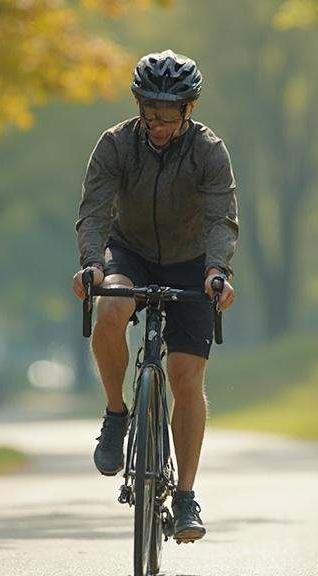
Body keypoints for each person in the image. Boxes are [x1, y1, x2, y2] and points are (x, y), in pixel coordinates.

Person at [71, 49, 238, 542]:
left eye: (168, 116)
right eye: (149, 113)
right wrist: (91, 263)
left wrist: (217, 271)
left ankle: (185, 497)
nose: (158, 126)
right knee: (112, 305)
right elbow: (95, 210)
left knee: (186, 378)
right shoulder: (116, 144)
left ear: (189, 110)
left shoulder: (209, 151)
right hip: (129, 252)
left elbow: (220, 217)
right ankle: (116, 414)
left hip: (192, 263)